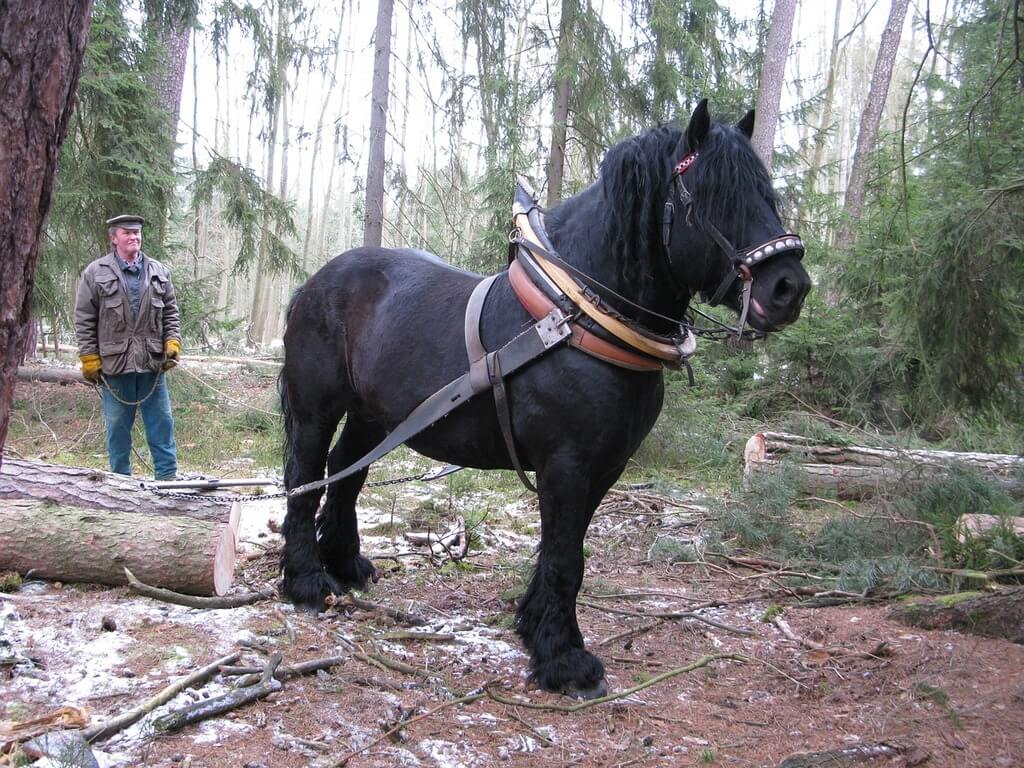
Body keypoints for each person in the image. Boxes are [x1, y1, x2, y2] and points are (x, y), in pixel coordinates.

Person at [75, 214, 181, 480]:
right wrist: (89, 357)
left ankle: (167, 481)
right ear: (114, 239)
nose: (134, 237)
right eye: (127, 233)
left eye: (137, 233)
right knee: (117, 427)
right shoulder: (95, 272)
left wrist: (172, 342)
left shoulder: (159, 271)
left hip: (152, 363)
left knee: (162, 424)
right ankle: (120, 482)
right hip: (115, 364)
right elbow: (85, 318)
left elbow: (171, 313)